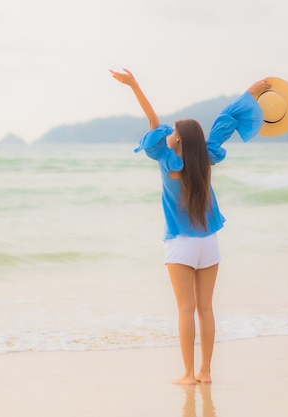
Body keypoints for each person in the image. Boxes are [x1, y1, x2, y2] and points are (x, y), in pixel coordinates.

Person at [110, 68, 271, 385]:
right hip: (209, 244)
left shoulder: (168, 161)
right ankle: (206, 373)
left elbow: (153, 123)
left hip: (180, 245)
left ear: (177, 139)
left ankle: (187, 373)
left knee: (185, 310)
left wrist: (134, 86)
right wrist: (251, 92)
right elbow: (225, 121)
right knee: (206, 310)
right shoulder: (205, 158)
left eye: (174, 132)